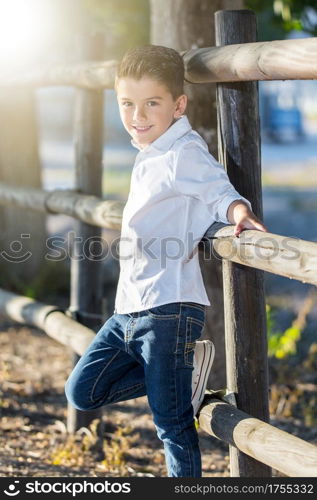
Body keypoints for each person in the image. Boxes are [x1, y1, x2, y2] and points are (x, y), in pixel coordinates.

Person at [65, 45, 267, 477]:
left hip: (169, 308)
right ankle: (184, 370)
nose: (137, 114)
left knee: (171, 424)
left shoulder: (182, 152)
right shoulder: (150, 150)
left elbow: (218, 190)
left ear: (178, 105)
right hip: (129, 310)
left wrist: (239, 212)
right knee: (82, 391)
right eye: (127, 103)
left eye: (151, 103)